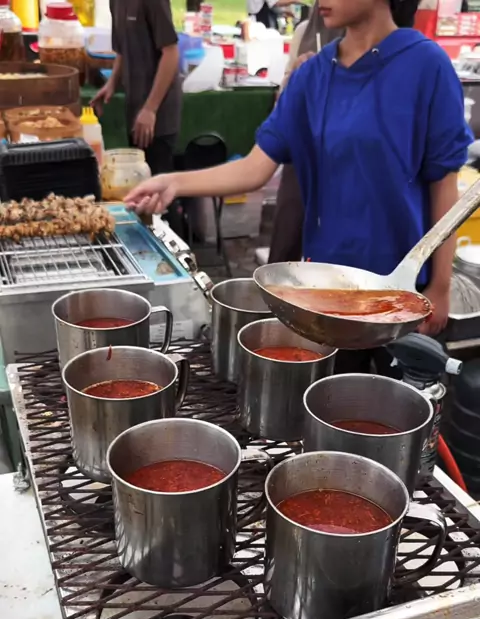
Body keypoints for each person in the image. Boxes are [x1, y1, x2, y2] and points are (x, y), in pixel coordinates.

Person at [125, 0, 473, 368]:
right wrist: (173, 182)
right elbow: (254, 168)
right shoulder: (313, 76)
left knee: (395, 398)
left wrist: (440, 285)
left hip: (402, 294)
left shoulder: (426, 65)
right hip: (327, 296)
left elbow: (443, 186)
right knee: (330, 396)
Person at [268, 7, 343, 264]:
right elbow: (256, 167)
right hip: (302, 153)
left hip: (342, 165)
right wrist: (296, 78)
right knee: (287, 233)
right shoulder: (305, 32)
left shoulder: (406, 58)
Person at [91, 0, 181, 177]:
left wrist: (150, 109)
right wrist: (112, 83)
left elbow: (171, 53)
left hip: (158, 112)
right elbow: (122, 49)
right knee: (137, 178)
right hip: (134, 107)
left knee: (156, 181)